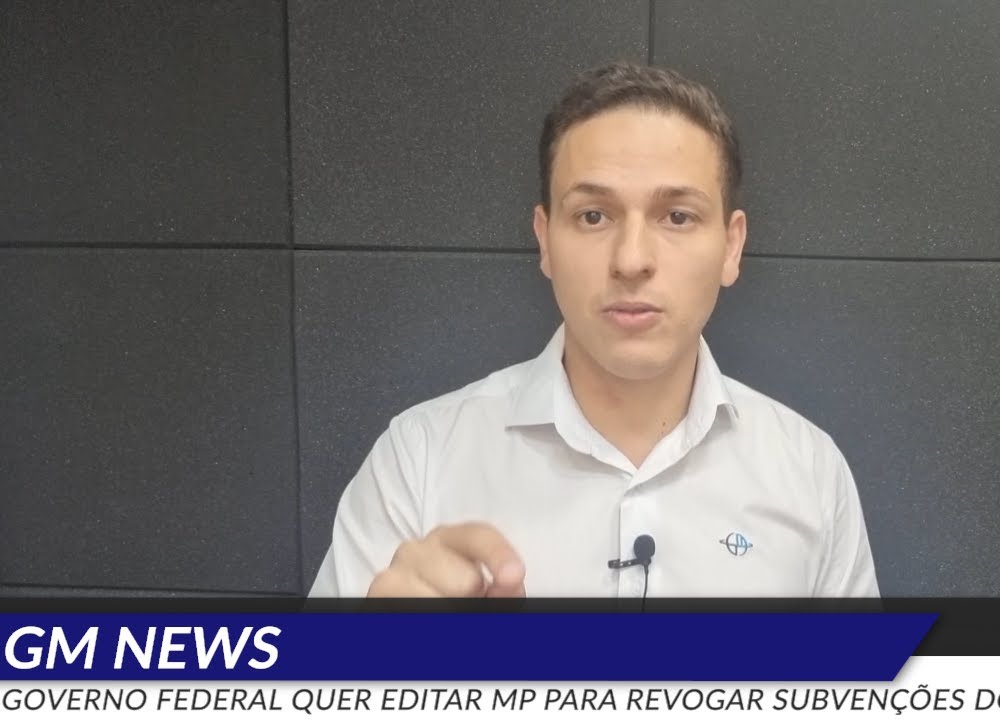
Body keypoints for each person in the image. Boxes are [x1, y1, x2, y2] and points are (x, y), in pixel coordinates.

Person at [309, 61, 878, 598]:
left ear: (731, 247)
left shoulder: (809, 472)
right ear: (545, 240)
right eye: (593, 216)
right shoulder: (420, 459)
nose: (631, 261)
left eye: (678, 216)